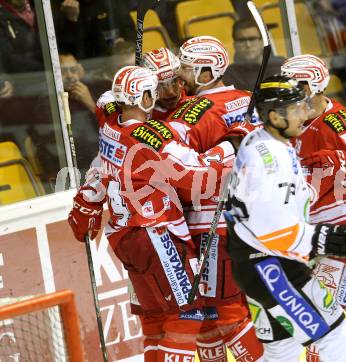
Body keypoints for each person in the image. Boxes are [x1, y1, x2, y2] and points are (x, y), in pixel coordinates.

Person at [68, 65, 242, 361]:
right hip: (157, 235)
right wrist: (230, 146)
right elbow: (195, 173)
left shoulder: (110, 123)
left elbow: (104, 103)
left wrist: (85, 206)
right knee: (186, 314)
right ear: (143, 96)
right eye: (152, 92)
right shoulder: (150, 137)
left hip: (125, 239)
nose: (158, 97)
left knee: (155, 320)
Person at [224, 75, 346, 362]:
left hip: (261, 263)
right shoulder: (269, 158)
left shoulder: (267, 141)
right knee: (337, 338)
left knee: (282, 351)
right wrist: (321, 238)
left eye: (303, 105)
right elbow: (268, 223)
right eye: (296, 108)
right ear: (275, 116)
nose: (305, 113)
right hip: (270, 267)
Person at [281, 54, 346, 362]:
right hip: (316, 229)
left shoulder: (338, 122)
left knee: (326, 313)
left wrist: (334, 166)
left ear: (312, 87)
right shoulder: (291, 120)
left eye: (292, 85)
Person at [172, 35, 264, 362]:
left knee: (218, 310)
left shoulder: (191, 113)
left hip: (211, 224)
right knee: (225, 306)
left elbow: (179, 176)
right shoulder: (250, 100)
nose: (179, 74)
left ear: (207, 72)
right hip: (256, 217)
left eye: (185, 68)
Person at [60, 52, 101, 175]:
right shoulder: (48, 101)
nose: (70, 76)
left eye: (73, 70)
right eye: (63, 72)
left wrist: (90, 104)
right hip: (74, 168)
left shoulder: (95, 90)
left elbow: (110, 128)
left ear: (81, 71)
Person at [223, 18, 285, 91]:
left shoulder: (282, 65)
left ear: (262, 42)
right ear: (235, 45)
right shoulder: (228, 75)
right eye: (241, 40)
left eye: (252, 39)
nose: (248, 45)